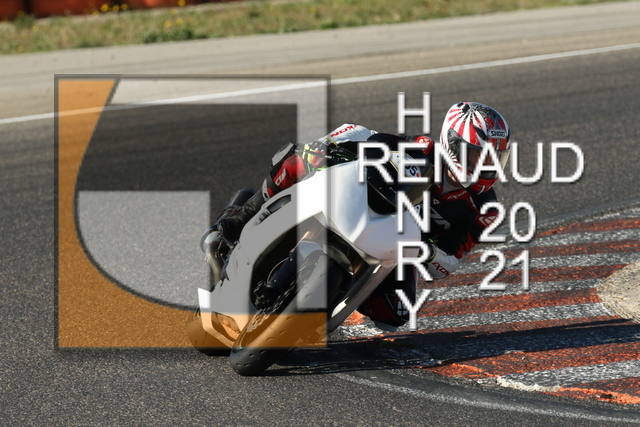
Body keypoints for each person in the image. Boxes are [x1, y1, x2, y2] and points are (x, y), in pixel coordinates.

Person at [216, 102, 511, 331]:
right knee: (299, 158)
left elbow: (446, 265)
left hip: (398, 249)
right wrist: (328, 146)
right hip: (362, 211)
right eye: (479, 155)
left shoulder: (484, 208)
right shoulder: (420, 150)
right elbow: (365, 136)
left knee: (396, 312)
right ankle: (243, 214)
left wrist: (430, 252)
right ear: (453, 144)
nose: (488, 166)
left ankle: (325, 301)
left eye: (496, 158)